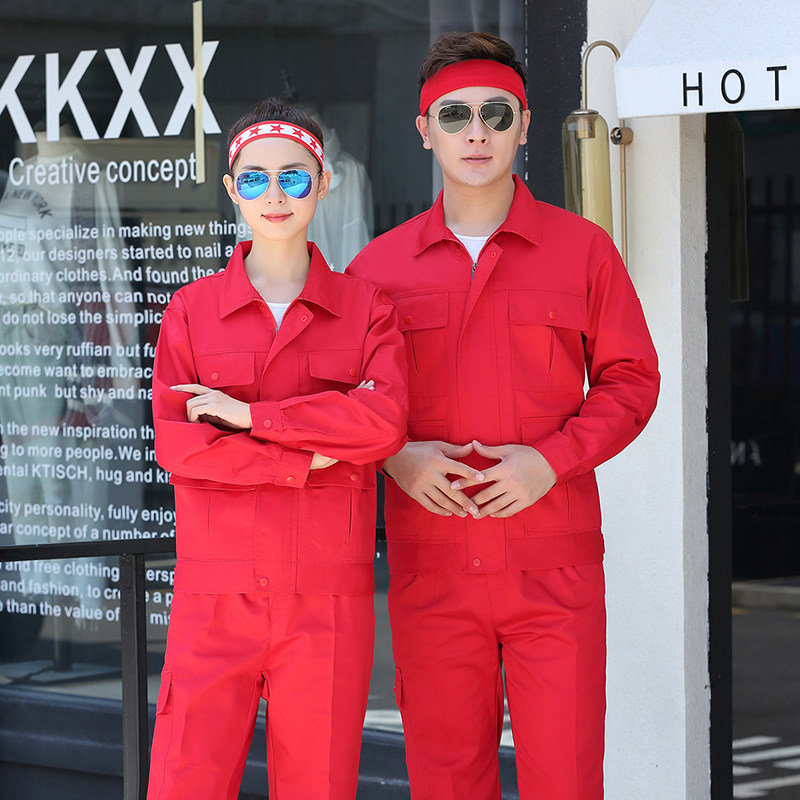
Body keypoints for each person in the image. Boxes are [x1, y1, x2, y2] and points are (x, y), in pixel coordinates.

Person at [347, 31, 660, 800]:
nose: (476, 132)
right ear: (425, 131)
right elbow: (345, 400)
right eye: (454, 115)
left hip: (554, 568)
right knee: (447, 782)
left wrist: (552, 459)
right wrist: (395, 455)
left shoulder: (583, 251)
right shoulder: (377, 269)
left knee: (566, 781)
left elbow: (631, 381)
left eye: (496, 113)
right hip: (432, 568)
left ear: (524, 125)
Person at [146, 98, 408, 800]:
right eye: (255, 179)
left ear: (324, 183)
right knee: (186, 782)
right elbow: (181, 447)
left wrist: (250, 417)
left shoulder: (367, 310)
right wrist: (307, 454)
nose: (275, 195)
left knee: (319, 785)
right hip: (214, 594)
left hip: (325, 599)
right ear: (231, 190)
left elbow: (383, 424)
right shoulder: (191, 312)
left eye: (294, 177)